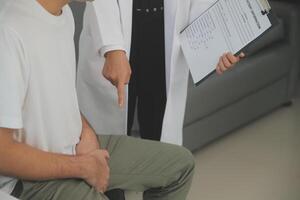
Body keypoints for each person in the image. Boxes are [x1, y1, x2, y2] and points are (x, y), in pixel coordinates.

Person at [0, 0, 195, 199]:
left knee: (181, 167)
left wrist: (86, 131)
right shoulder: (9, 32)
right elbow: (2, 153)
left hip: (73, 149)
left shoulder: (62, 15)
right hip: (28, 182)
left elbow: (56, 97)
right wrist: (80, 167)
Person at [77, 0, 245, 144]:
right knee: (105, 144)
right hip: (113, 35)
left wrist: (220, 46)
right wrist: (111, 48)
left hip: (164, 38)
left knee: (160, 136)